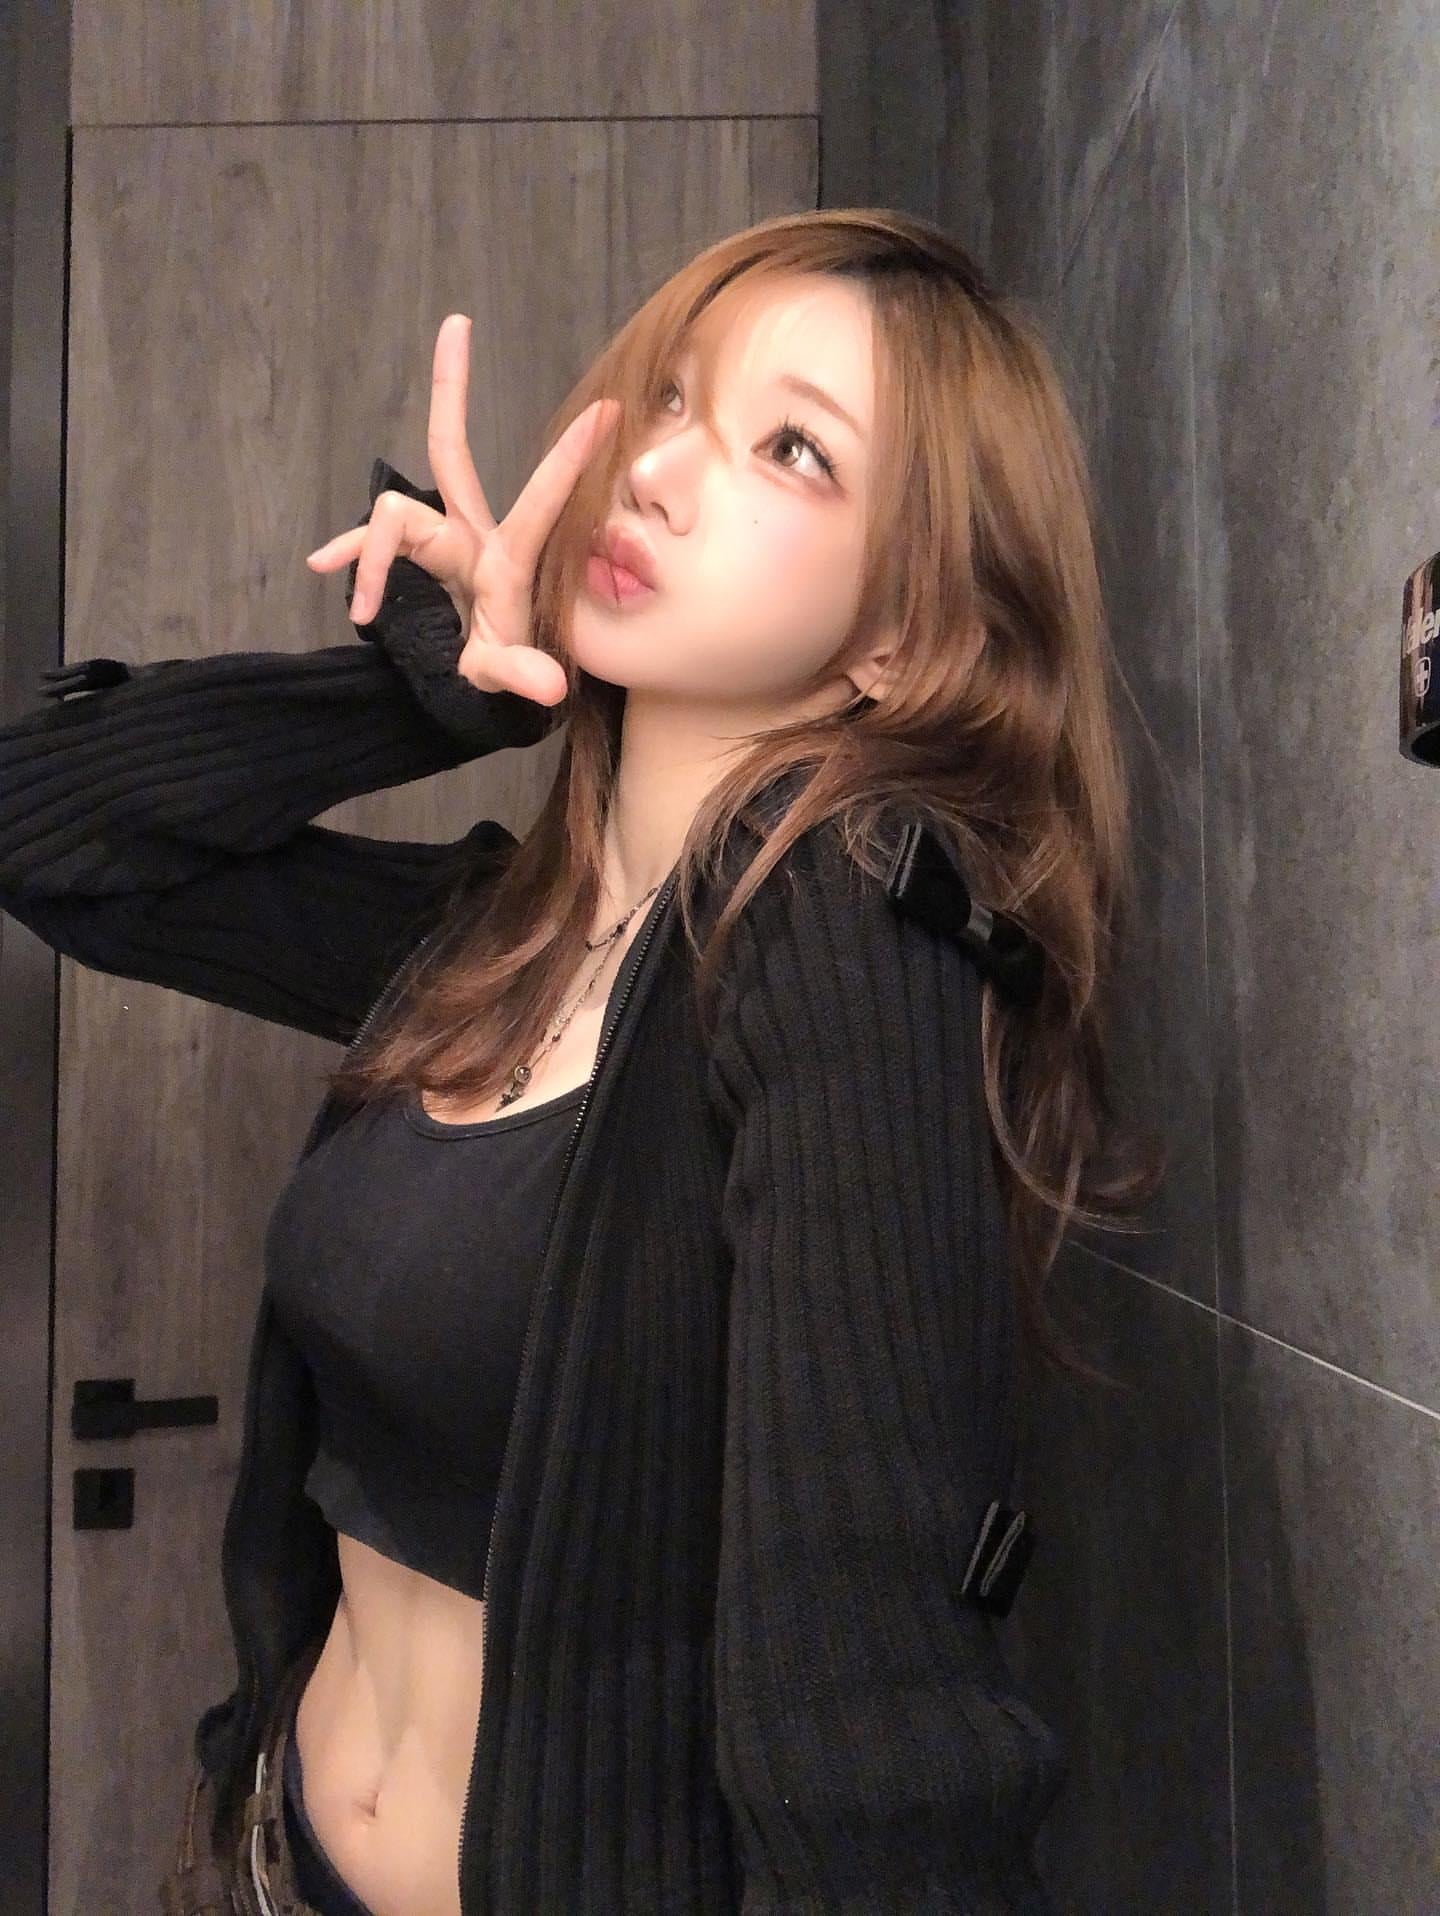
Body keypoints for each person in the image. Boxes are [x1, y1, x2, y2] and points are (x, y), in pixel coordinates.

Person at [0, 207, 1161, 1916]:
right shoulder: (501, 932)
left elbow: (880, 1726)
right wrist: (437, 691)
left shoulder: (842, 947)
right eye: (673, 399)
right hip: (258, 1855)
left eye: (792, 449)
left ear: (904, 639)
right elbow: (51, 837)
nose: (662, 474)